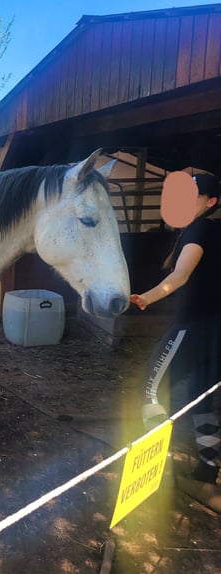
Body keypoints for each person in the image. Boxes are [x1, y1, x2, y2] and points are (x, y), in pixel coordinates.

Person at [130, 172, 221, 495]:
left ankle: (157, 470)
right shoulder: (213, 231)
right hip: (215, 331)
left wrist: (146, 297)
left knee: (149, 390)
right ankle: (208, 469)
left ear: (211, 202)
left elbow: (181, 275)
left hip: (193, 327)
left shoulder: (199, 229)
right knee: (201, 396)